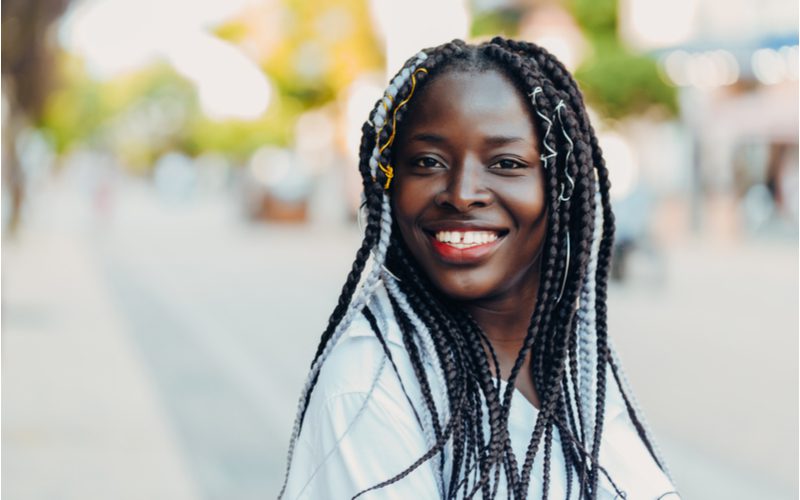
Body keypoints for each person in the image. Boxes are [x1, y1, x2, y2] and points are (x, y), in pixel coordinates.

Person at [279, 37, 680, 499]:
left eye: (506, 163)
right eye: (428, 162)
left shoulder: (576, 369)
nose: (462, 193)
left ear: (561, 190)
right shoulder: (369, 387)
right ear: (389, 186)